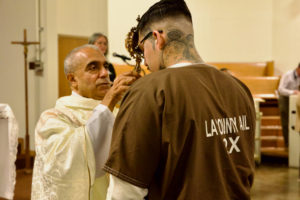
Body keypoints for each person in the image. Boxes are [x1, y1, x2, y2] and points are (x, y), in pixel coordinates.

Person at [103, 0, 256, 199]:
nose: (145, 61)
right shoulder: (239, 89)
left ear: (157, 38)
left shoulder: (149, 90)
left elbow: (125, 190)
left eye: (142, 49)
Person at [31, 44, 139, 200]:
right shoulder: (53, 118)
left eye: (106, 66)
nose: (105, 73)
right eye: (93, 68)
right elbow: (66, 168)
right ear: (72, 79)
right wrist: (109, 100)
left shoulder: (117, 112)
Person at [277, 63, 300, 147]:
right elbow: (280, 89)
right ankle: (287, 142)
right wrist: (292, 92)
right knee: (285, 120)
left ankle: (295, 142)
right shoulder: (287, 75)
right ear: (298, 68)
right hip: (285, 98)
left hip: (295, 99)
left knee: (296, 120)